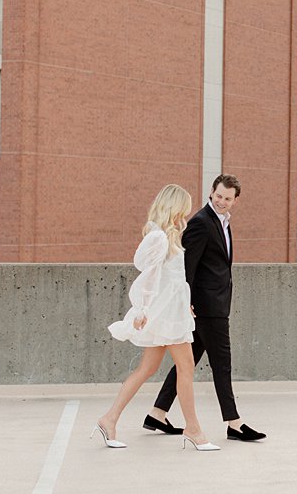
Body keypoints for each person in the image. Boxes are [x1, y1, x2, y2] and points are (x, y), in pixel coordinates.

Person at [93, 184, 219, 451]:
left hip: (171, 311)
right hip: (165, 314)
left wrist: (184, 305)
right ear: (174, 206)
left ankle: (109, 418)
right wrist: (142, 310)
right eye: (183, 207)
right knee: (185, 367)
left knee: (148, 369)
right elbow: (148, 275)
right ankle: (194, 430)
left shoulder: (166, 235)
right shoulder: (160, 237)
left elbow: (171, 279)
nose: (186, 213)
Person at [145, 174, 266, 442]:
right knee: (222, 363)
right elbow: (188, 267)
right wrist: (185, 302)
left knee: (187, 363)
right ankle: (234, 423)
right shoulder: (201, 222)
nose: (221, 201)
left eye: (227, 198)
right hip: (206, 307)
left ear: (235, 201)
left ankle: (157, 412)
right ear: (211, 192)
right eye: (218, 195)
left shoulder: (221, 221)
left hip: (212, 303)